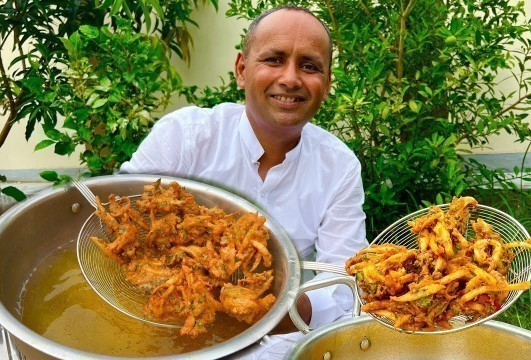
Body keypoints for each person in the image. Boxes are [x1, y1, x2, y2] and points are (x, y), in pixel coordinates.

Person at [119, 4, 368, 359]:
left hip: (277, 344)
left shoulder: (339, 166)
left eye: (309, 66)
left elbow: (343, 285)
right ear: (241, 69)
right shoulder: (184, 136)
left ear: (326, 85)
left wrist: (262, 310)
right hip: (157, 330)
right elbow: (122, 220)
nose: (291, 78)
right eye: (274, 59)